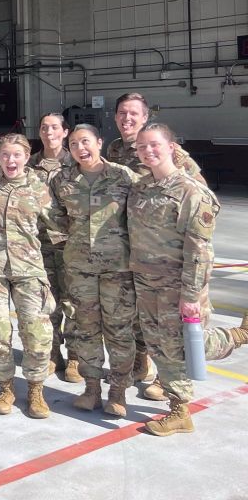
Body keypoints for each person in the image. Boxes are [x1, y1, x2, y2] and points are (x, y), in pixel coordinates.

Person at [128, 123, 248, 436]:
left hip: (177, 285)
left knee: (178, 346)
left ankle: (180, 411)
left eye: (154, 145)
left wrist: (191, 294)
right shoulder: (141, 188)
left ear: (172, 147)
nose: (148, 151)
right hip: (146, 282)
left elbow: (200, 251)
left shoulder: (191, 193)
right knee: (158, 343)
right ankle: (238, 336)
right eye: (142, 147)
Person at [107, 92, 206, 392]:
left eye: (133, 113)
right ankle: (142, 361)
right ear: (114, 117)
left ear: (145, 116)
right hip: (134, 247)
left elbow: (197, 193)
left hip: (168, 253)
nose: (127, 119)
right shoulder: (113, 149)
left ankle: (168, 380)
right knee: (138, 314)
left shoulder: (166, 149)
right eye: (122, 113)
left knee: (171, 325)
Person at [49, 124, 138, 416]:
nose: (80, 149)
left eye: (85, 142)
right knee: (85, 329)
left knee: (119, 330)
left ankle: (118, 391)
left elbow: (140, 213)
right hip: (80, 269)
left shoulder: (124, 176)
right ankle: (91, 388)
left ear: (99, 142)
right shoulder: (62, 179)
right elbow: (55, 217)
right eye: (73, 144)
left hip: (118, 269)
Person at [0, 133, 61, 418]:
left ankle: (35, 388)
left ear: (26, 156)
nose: (11, 160)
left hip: (28, 269)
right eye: (5, 155)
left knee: (36, 332)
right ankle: (5, 386)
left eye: (17, 155)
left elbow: (58, 225)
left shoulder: (37, 185)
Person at [28, 112, 80, 383]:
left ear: (65, 132)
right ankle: (52, 353)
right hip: (38, 244)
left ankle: (75, 358)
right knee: (46, 303)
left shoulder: (76, 163)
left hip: (70, 243)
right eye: (44, 127)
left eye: (55, 127)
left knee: (72, 302)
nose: (49, 132)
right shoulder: (29, 164)